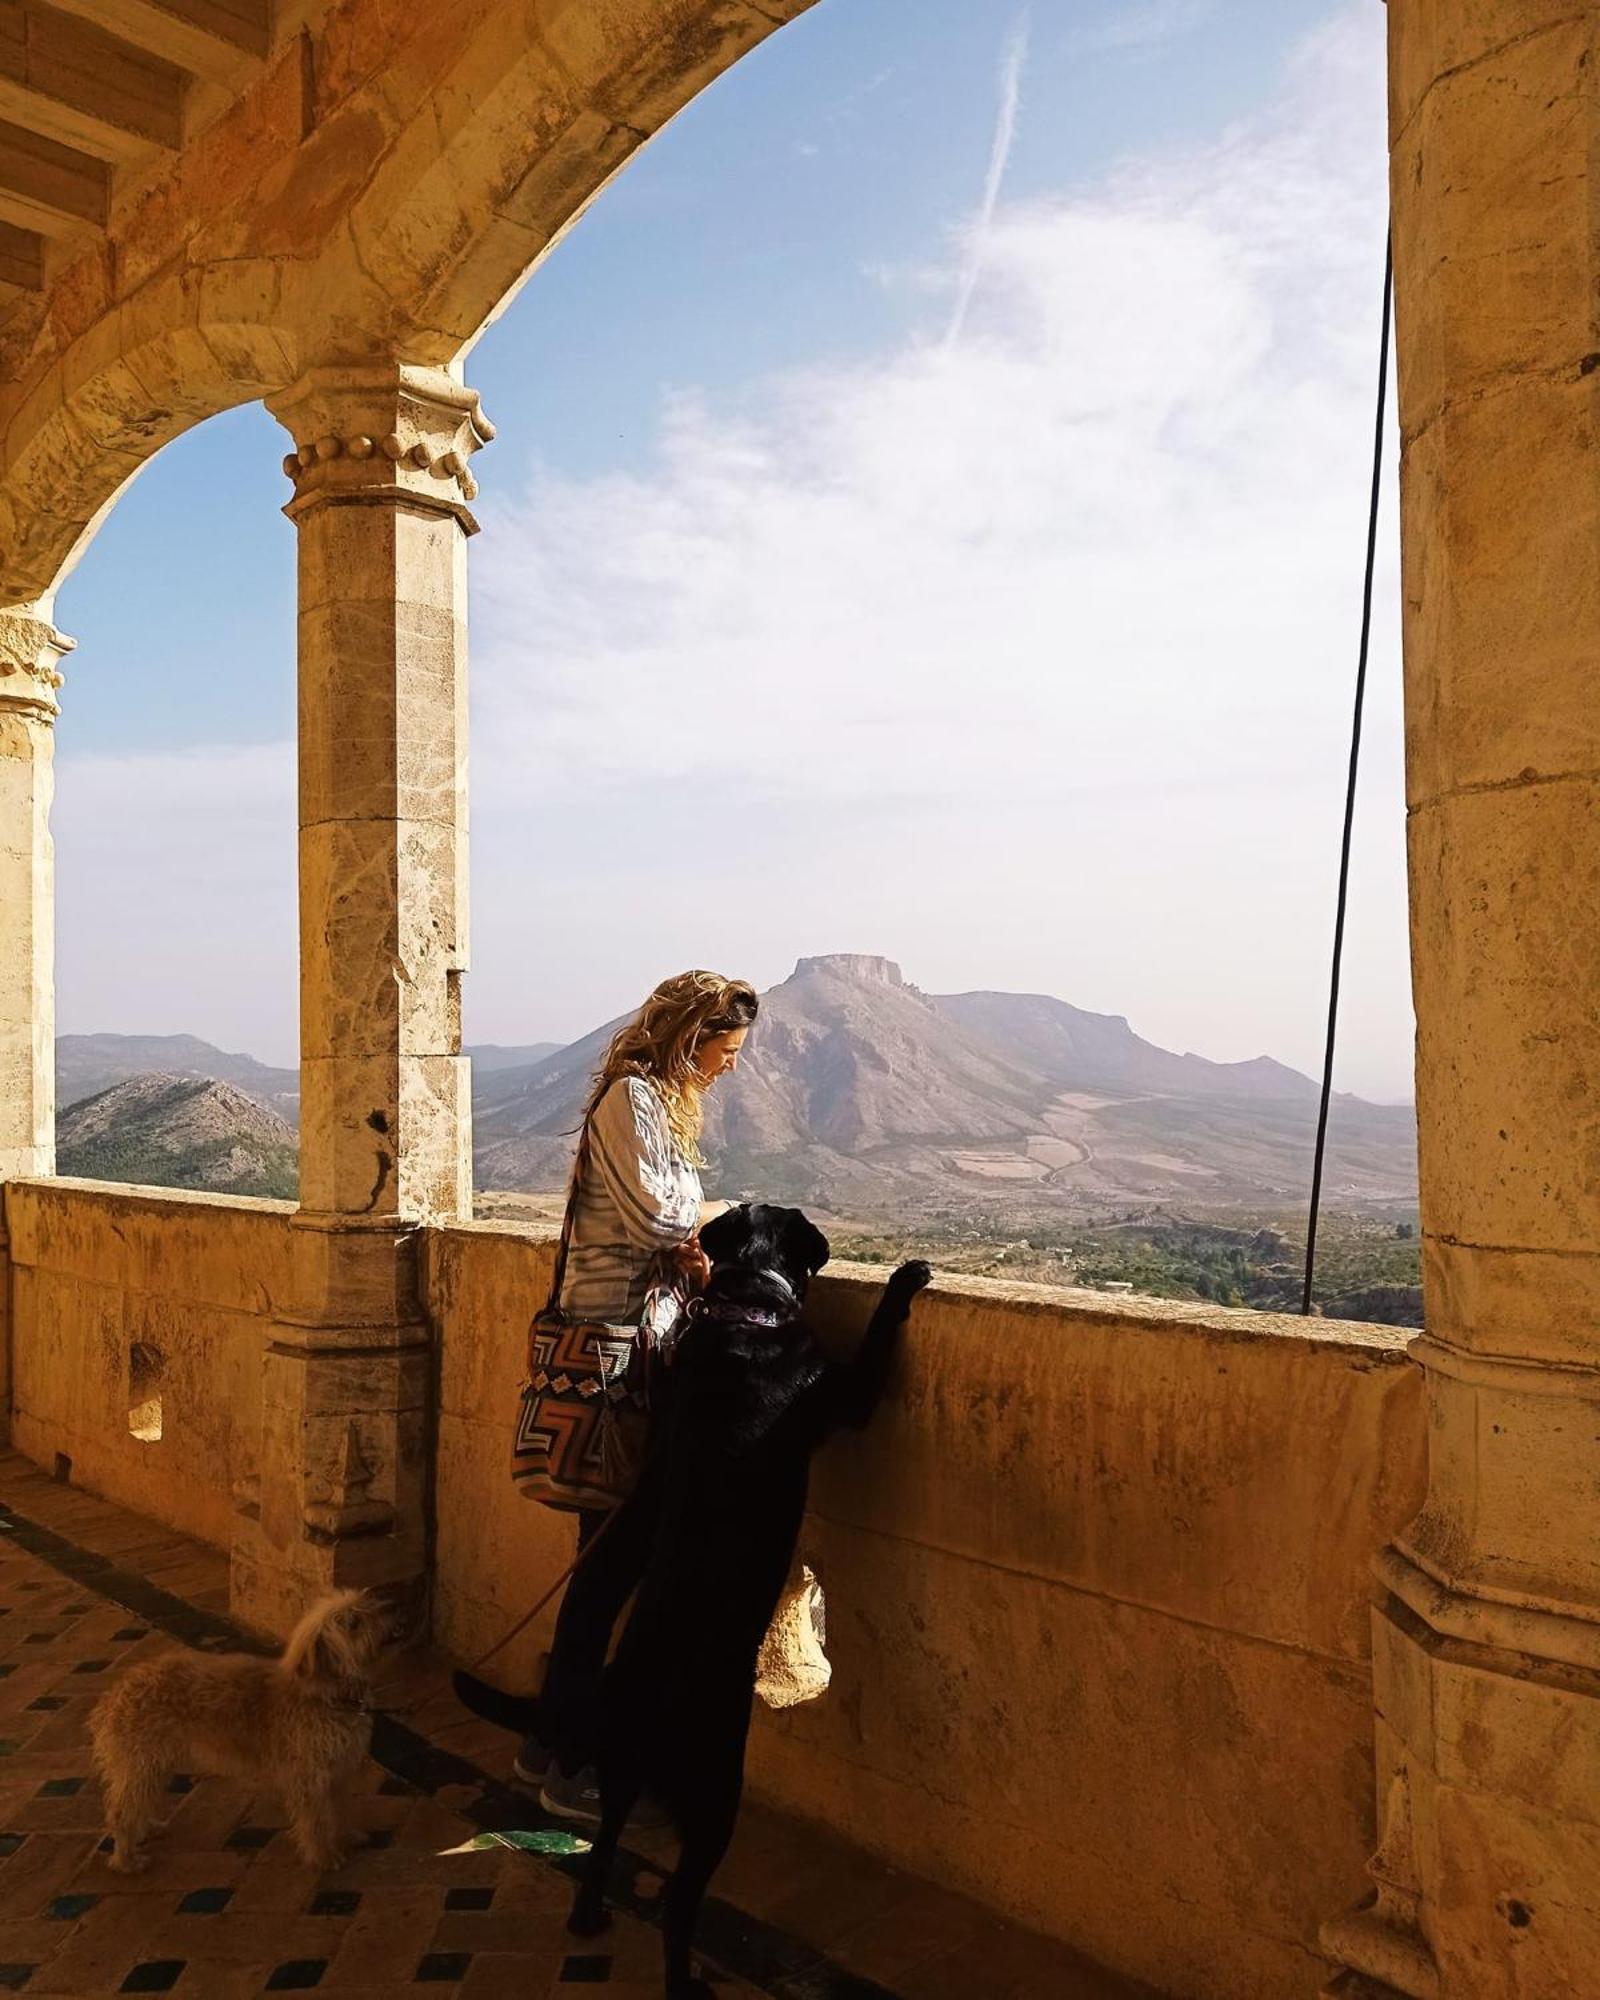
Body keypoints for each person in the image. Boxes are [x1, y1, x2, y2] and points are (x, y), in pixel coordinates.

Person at [522, 969, 758, 1822]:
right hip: (613, 1354)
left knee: (607, 1560)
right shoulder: (633, 1098)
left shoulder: (655, 1102)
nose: (730, 1068)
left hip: (634, 1349)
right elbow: (656, 1216)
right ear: (688, 1040)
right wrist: (699, 1227)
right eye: (724, 1052)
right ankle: (571, 1764)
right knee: (611, 1564)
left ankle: (551, 1738)